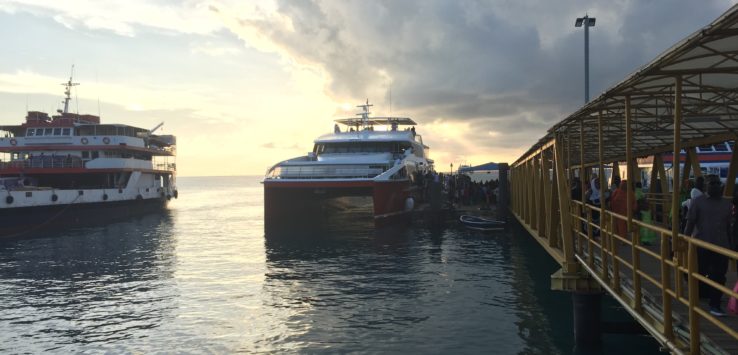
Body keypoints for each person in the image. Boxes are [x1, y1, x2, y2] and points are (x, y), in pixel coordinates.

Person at [684, 175, 731, 317]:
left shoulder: (726, 204)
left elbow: (728, 226)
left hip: (721, 245)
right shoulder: (698, 202)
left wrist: (732, 245)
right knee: (699, 272)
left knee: (720, 275)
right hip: (702, 244)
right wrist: (684, 240)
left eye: (718, 183)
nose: (716, 186)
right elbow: (690, 223)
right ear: (706, 186)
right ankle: (702, 293)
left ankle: (715, 304)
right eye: (712, 183)